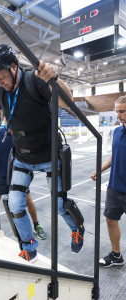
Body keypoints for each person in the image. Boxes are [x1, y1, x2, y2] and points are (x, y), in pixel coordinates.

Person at [0, 44, 85, 262]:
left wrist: (54, 79)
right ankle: (29, 247)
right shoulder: (0, 88)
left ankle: (77, 228)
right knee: (15, 204)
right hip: (22, 156)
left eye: (1, 77)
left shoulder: (35, 80)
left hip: (49, 155)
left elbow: (66, 102)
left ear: (13, 67)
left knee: (59, 205)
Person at [0, 124, 46, 240]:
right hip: (1, 174)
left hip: (19, 174)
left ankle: (36, 225)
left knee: (28, 199)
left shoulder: (22, 134)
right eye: (6, 118)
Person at [91, 95, 126, 267]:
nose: (118, 115)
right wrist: (100, 169)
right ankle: (116, 256)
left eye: (122, 111)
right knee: (111, 220)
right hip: (114, 187)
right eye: (117, 111)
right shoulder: (117, 131)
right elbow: (114, 155)